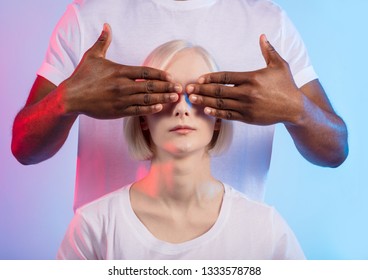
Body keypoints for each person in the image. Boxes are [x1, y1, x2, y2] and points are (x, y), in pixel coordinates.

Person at [11, 0, 348, 210]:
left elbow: (335, 150)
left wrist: (297, 110)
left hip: (232, 255)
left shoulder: (270, 24)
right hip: (111, 254)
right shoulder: (88, 16)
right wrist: (67, 100)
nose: (183, 110)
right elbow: (24, 147)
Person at [57, 41, 305, 259]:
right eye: (167, 95)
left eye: (197, 95)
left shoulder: (265, 230)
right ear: (142, 115)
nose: (182, 109)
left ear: (219, 116)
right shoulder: (94, 228)